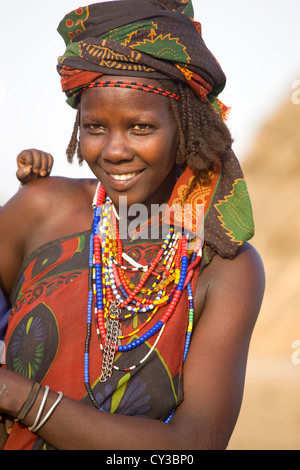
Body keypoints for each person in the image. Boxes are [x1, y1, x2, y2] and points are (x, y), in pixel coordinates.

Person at [0, 0, 264, 450]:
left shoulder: (224, 266)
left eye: (141, 128)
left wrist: (16, 394)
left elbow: (195, 444)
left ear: (185, 128)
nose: (114, 151)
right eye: (95, 127)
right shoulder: (41, 209)